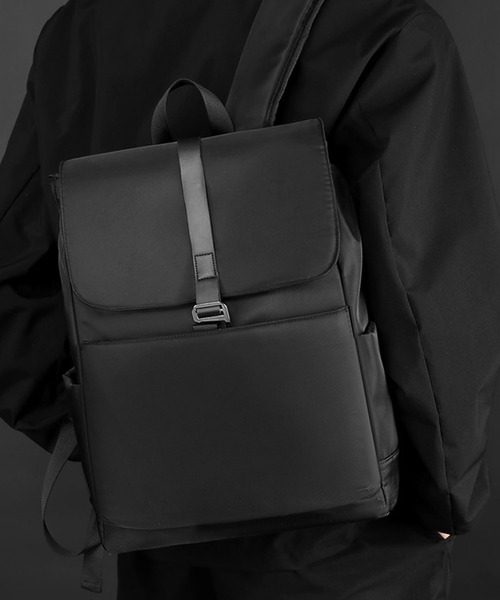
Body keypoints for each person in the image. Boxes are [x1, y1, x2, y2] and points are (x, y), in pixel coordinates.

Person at [1, 0, 499, 598]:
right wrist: (450, 497)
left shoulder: (79, 29)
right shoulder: (383, 27)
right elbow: (431, 299)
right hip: (353, 537)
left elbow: (13, 274)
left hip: (159, 523)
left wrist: (119, 439)